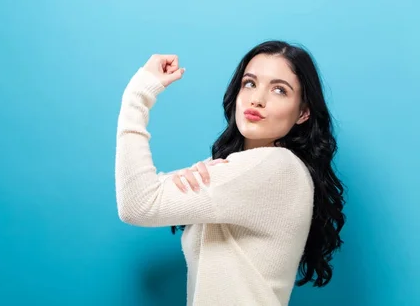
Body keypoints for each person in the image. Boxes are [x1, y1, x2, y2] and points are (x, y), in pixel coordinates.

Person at [114, 40, 346, 305]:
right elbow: (147, 193)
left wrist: (137, 96)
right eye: (250, 83)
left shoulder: (276, 167)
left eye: (279, 90)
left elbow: (138, 203)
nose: (257, 99)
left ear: (303, 112)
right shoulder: (243, 168)